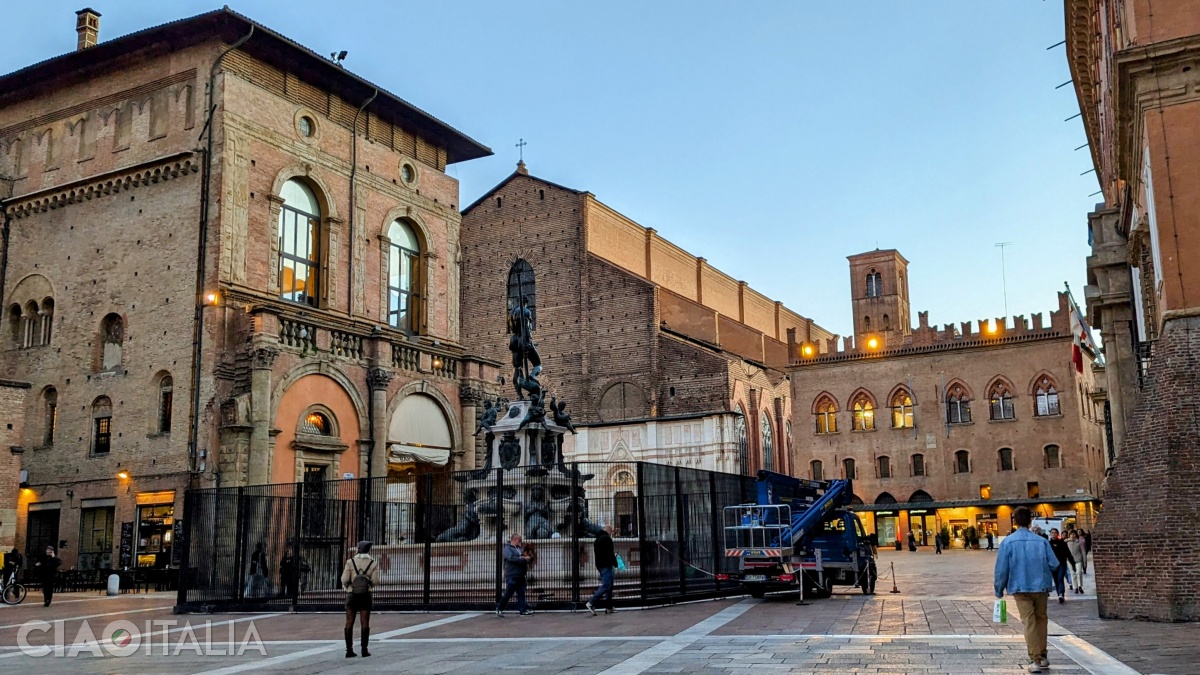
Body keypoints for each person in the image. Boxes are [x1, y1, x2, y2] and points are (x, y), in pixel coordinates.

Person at [995, 506, 1059, 673]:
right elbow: (1054, 563)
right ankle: (1043, 656)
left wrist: (999, 589)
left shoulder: (1008, 542)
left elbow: (1002, 569)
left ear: (1014, 521)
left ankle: (1035, 659)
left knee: (1029, 622)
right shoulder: (1042, 541)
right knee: (1041, 620)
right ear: (1030, 520)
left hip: (1020, 586)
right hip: (1041, 586)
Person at [340, 540, 378, 658]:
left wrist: (349, 588)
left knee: (349, 623)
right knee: (365, 623)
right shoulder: (372, 563)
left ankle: (349, 650)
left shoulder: (350, 562)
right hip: (365, 595)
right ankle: (364, 649)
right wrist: (368, 586)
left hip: (352, 594)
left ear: (358, 549)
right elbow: (376, 581)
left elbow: (344, 579)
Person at [496, 533, 532, 617]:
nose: (520, 543)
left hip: (521, 574)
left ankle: (523, 610)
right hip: (512, 574)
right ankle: (500, 607)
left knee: (521, 593)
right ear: (515, 539)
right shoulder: (508, 548)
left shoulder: (519, 548)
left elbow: (523, 557)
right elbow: (511, 558)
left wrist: (528, 559)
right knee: (509, 592)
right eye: (519, 541)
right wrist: (522, 559)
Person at [586, 525, 617, 615]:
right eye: (611, 532)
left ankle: (609, 607)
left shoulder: (597, 539)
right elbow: (610, 552)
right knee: (607, 585)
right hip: (606, 565)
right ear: (609, 531)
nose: (611, 534)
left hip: (600, 565)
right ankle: (591, 602)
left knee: (609, 585)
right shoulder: (607, 539)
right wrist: (615, 563)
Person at [1047, 529, 1075, 604]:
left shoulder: (1062, 543)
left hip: (1061, 564)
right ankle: (1059, 594)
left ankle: (1061, 594)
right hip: (1052, 565)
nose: (1053, 534)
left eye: (1055, 533)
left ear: (1057, 534)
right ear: (1050, 534)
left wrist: (1073, 564)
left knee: (1060, 578)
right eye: (1052, 533)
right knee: (1056, 580)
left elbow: (1068, 554)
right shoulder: (1048, 544)